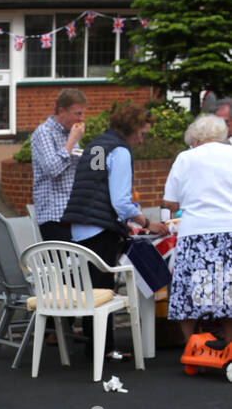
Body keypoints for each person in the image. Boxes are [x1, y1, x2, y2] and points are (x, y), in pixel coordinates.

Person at [61, 101, 165, 358]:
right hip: (100, 229)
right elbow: (120, 199)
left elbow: (97, 187)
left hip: (80, 224)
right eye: (142, 134)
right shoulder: (120, 151)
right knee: (104, 289)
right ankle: (103, 350)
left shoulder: (97, 144)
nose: (141, 140)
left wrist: (120, 217)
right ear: (132, 128)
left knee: (90, 289)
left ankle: (93, 347)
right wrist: (146, 222)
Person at [164, 113, 232, 346]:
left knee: (189, 294)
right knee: (228, 294)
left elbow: (170, 202)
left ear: (197, 138)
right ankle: (230, 348)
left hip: (194, 233)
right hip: (228, 230)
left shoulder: (185, 158)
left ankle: (193, 346)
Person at [30, 88, 87, 240]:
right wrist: (71, 142)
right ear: (62, 111)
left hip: (72, 212)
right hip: (53, 215)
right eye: (77, 114)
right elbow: (52, 169)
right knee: (61, 263)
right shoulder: (44, 132)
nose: (82, 119)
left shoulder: (70, 133)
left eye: (83, 113)